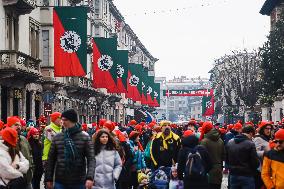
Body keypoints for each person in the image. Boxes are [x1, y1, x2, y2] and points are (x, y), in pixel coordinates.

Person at [45, 109, 95, 189]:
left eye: (65, 120)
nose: (62, 122)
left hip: (79, 180)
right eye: (62, 119)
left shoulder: (84, 137)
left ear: (73, 121)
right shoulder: (58, 137)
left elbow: (91, 159)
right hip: (60, 180)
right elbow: (51, 159)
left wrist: (90, 177)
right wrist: (48, 178)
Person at [6, 116, 33, 189]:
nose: (19, 127)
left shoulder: (24, 139)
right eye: (16, 125)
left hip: (26, 178)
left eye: (20, 125)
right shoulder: (3, 140)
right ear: (9, 126)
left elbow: (29, 154)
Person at [200, 121, 225, 189]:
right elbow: (223, 156)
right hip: (218, 171)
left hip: (207, 172)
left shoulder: (204, 141)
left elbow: (201, 158)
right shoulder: (220, 140)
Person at [253, 121, 272, 188]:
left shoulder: (268, 138)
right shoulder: (258, 139)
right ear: (262, 129)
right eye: (267, 128)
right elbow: (255, 152)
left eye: (270, 129)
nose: (269, 130)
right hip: (260, 170)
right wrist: (265, 153)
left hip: (267, 169)